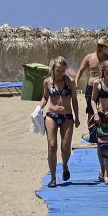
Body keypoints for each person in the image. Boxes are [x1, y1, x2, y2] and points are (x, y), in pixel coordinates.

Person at [38, 56, 80, 188]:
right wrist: (40, 107)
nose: (60, 72)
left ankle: (65, 165)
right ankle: (53, 177)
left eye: (63, 70)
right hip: (51, 115)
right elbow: (45, 97)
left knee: (66, 147)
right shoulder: (47, 82)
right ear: (53, 69)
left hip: (67, 116)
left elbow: (74, 100)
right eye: (58, 70)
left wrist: (77, 117)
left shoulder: (70, 82)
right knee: (52, 146)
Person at [74, 39, 108, 140]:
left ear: (106, 48)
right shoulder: (89, 57)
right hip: (91, 87)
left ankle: (104, 133)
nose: (99, 47)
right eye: (98, 45)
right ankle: (92, 134)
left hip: (103, 88)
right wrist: (76, 82)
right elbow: (80, 70)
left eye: (102, 46)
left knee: (103, 110)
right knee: (91, 111)